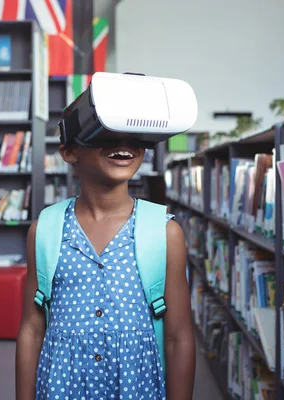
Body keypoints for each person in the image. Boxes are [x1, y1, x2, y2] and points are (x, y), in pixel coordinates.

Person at [15, 134, 196, 399]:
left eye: (134, 137)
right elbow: (32, 329)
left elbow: (179, 337)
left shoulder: (165, 232)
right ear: (68, 151)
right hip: (61, 389)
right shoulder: (45, 231)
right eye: (106, 134)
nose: (124, 146)